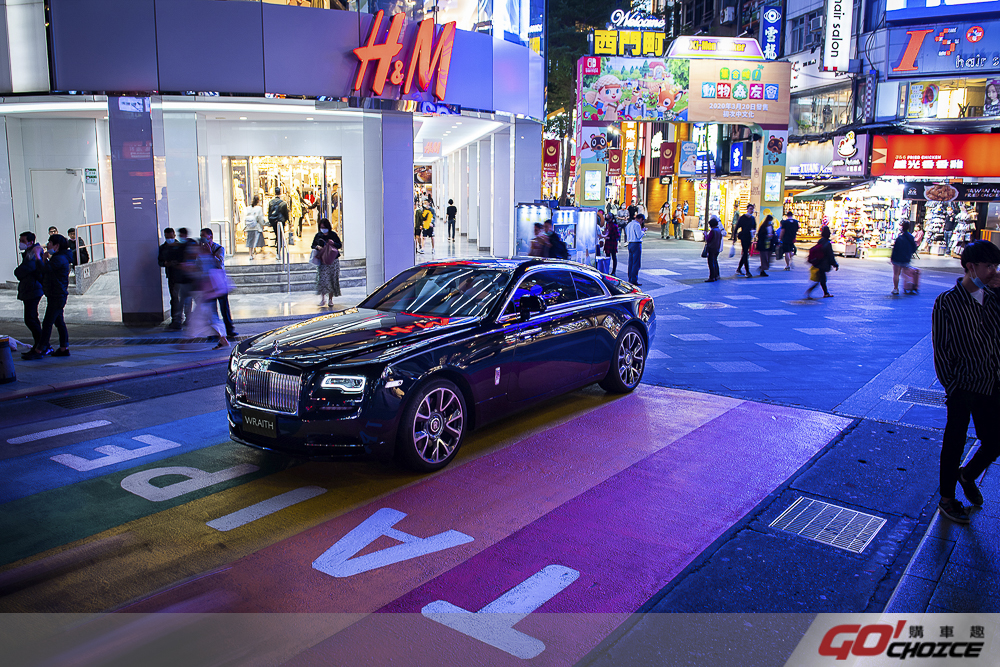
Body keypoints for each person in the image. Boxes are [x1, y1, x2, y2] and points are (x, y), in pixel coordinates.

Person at [931, 240, 1000, 523]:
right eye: (989, 267)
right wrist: (952, 385)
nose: (994, 272)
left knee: (994, 440)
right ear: (971, 267)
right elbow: (941, 349)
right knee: (954, 442)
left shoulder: (994, 297)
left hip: (993, 383)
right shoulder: (947, 302)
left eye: (996, 266)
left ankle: (968, 474)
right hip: (963, 385)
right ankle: (947, 499)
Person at [31, 234, 72, 358]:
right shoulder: (59, 257)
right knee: (59, 322)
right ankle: (64, 348)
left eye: (50, 242)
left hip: (57, 295)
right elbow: (48, 269)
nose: (47, 244)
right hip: (56, 294)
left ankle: (40, 349)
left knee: (48, 322)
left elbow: (46, 270)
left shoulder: (59, 259)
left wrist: (38, 257)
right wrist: (44, 259)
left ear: (56, 245)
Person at [187, 241, 229, 350]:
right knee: (210, 317)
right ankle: (222, 339)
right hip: (207, 294)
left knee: (202, 318)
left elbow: (205, 275)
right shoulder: (204, 259)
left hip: (206, 294)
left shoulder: (206, 259)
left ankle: (187, 341)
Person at [200, 228, 238, 339]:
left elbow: (219, 264)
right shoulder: (200, 249)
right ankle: (215, 332)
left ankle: (229, 330)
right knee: (211, 310)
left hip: (218, 283)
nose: (202, 238)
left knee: (224, 308)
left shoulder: (218, 248)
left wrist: (210, 254)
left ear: (210, 236)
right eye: (201, 235)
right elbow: (199, 264)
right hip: (208, 283)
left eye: (204, 235)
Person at [14, 232, 44, 358]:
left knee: (30, 318)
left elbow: (21, 271)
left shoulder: (33, 254)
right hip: (30, 289)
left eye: (23, 240)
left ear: (30, 242)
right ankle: (40, 345)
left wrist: (18, 271)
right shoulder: (29, 253)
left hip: (33, 289)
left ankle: (41, 346)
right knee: (31, 318)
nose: (20, 242)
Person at [158, 228, 185, 330]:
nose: (169, 239)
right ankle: (176, 320)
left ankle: (185, 319)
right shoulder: (163, 248)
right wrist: (166, 263)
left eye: (171, 237)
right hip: (172, 276)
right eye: (167, 237)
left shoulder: (180, 247)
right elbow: (160, 261)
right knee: (174, 299)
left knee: (184, 298)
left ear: (174, 235)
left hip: (182, 276)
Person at [312, 217, 343, 307]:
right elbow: (313, 245)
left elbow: (339, 245)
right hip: (322, 260)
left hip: (332, 260)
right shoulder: (318, 235)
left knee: (332, 279)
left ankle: (330, 299)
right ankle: (323, 299)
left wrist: (333, 243)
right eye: (321, 227)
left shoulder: (333, 235)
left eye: (324, 227)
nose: (323, 229)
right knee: (323, 280)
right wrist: (317, 247)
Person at [805, 226, 839, 299]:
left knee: (821, 279)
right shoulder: (827, 243)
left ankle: (825, 293)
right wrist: (835, 264)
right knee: (821, 279)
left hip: (818, 262)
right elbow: (830, 255)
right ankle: (810, 292)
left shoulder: (820, 241)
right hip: (823, 264)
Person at [175, 228, 197, 327]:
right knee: (183, 300)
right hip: (184, 279)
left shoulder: (190, 244)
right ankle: (183, 319)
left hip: (190, 280)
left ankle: (187, 319)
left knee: (186, 301)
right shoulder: (181, 246)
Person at [891, 221, 919, 295]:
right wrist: (909, 253)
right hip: (906, 258)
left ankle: (896, 288)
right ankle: (909, 287)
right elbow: (914, 247)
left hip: (897, 258)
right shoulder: (910, 237)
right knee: (906, 273)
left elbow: (895, 249)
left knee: (896, 274)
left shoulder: (900, 238)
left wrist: (892, 258)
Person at [733, 203, 757, 278]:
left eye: (752, 209)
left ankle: (739, 269)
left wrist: (753, 233)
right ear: (747, 209)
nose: (751, 210)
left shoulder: (752, 218)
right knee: (745, 253)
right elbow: (736, 227)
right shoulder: (743, 217)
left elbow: (754, 227)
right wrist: (734, 238)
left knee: (745, 253)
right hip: (744, 237)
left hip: (749, 237)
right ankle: (747, 271)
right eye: (750, 209)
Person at [244, 195, 266, 260]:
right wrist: (263, 224)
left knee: (250, 240)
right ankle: (256, 252)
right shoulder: (259, 208)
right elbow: (260, 218)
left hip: (249, 227)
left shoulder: (248, 208)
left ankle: (250, 254)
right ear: (258, 201)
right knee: (257, 240)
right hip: (256, 227)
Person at [625, 213, 645, 285]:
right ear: (640, 219)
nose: (642, 222)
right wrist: (643, 231)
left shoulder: (629, 224)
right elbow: (639, 236)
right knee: (636, 263)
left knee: (631, 262)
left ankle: (630, 278)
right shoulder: (637, 225)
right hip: (636, 243)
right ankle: (634, 279)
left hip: (630, 243)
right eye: (642, 221)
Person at [703, 216, 723, 282]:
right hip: (717, 248)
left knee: (711, 262)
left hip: (711, 248)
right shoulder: (719, 230)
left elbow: (708, 239)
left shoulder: (713, 231)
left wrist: (705, 235)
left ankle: (712, 277)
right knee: (715, 261)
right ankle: (716, 275)